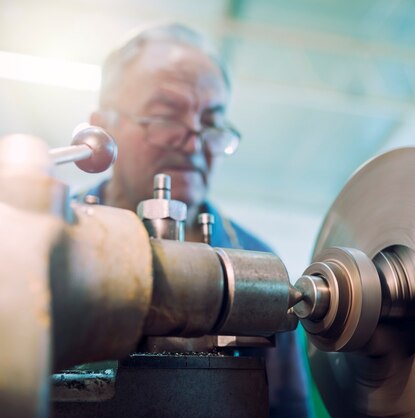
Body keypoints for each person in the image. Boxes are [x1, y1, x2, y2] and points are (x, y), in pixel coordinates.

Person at [81, 22, 310, 417]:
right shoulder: (55, 238)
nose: (193, 142)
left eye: (210, 124)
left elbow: (287, 409)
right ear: (103, 126)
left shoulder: (258, 263)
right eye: (166, 117)